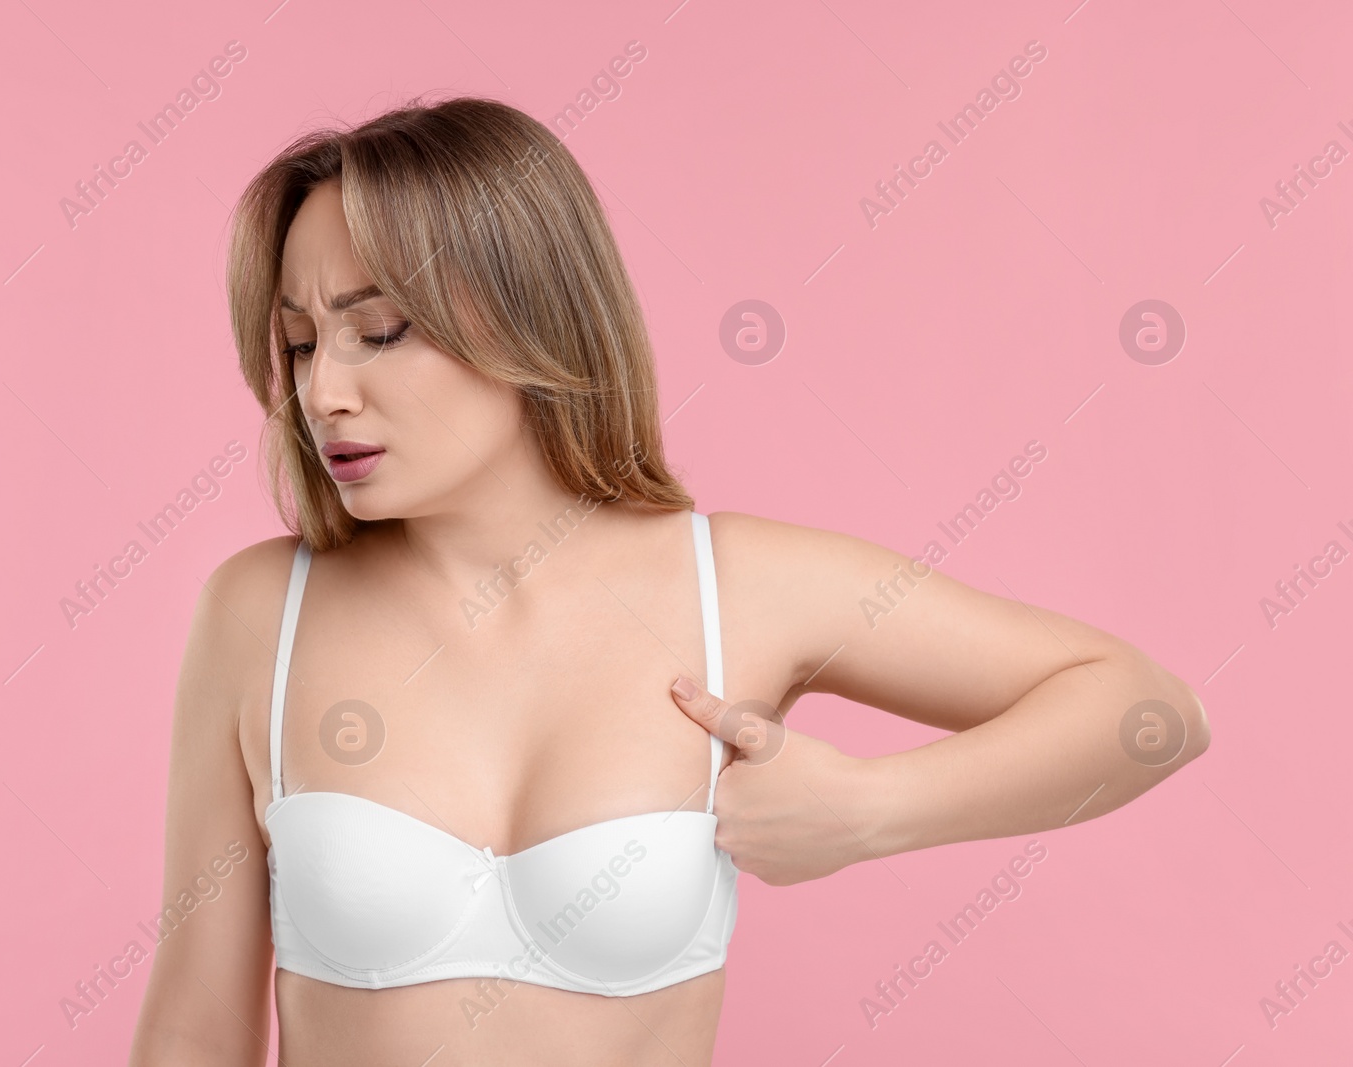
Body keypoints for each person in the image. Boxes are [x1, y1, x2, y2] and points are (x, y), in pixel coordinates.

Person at [128, 96, 1209, 1067]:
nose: (325, 391)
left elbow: (1150, 709)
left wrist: (874, 807)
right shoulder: (261, 613)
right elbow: (194, 1029)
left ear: (525, 314)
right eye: (301, 343)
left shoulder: (737, 586)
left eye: (377, 332)